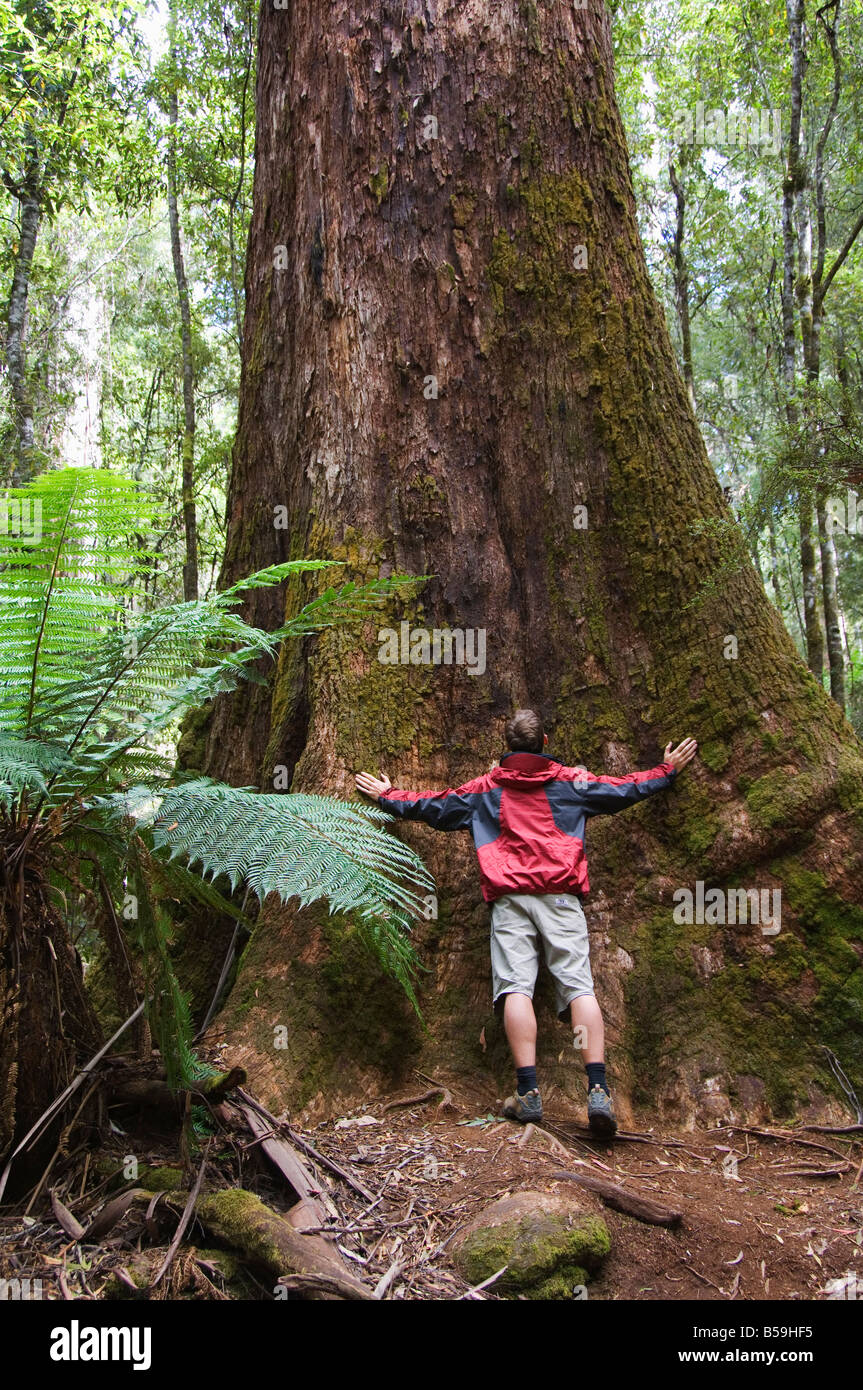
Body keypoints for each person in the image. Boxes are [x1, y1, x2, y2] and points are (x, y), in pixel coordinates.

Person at [355, 709, 697, 1137]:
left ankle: (529, 1093)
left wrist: (389, 795)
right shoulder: (572, 782)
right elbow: (624, 789)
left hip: (510, 898)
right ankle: (597, 1091)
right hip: (560, 895)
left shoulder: (486, 788)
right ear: (545, 741)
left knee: (516, 986)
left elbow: (435, 806)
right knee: (578, 985)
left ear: (508, 745)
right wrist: (666, 771)